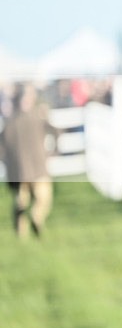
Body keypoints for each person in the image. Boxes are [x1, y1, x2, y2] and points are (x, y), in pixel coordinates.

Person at [0, 84, 56, 239]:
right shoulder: (16, 122)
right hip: (27, 170)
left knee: (38, 199)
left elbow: (55, 132)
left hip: (31, 168)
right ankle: (24, 231)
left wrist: (51, 153)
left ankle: (34, 220)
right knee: (25, 201)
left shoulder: (35, 118)